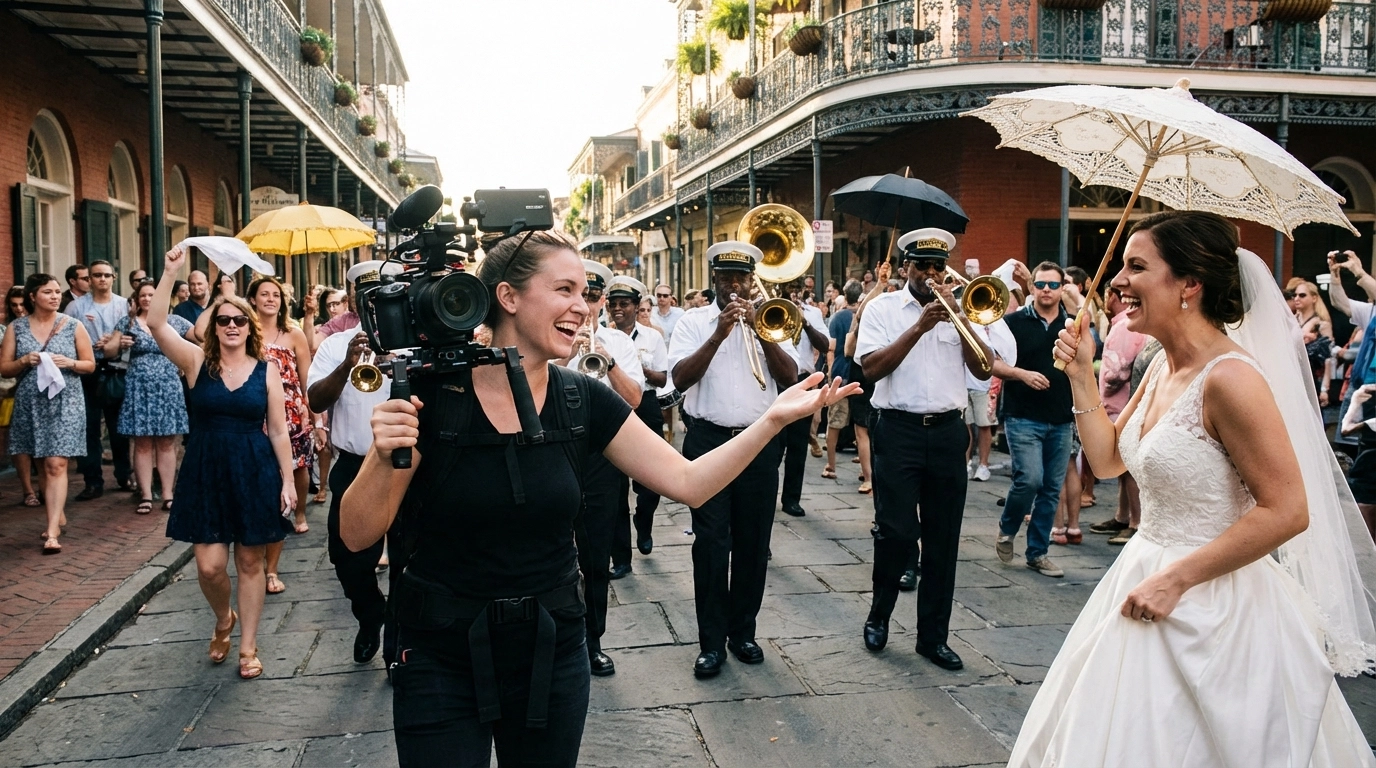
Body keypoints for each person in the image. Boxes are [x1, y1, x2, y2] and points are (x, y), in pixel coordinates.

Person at [339, 230, 852, 766]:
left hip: (552, 647)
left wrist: (773, 419)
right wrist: (383, 454)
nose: (582, 308)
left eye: (585, 293)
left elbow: (690, 482)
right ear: (508, 298)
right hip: (439, 654)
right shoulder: (433, 395)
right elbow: (355, 534)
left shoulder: (580, 396)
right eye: (564, 290)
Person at [1013, 210, 1376, 766]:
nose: (1117, 282)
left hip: (1213, 598)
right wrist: (1082, 375)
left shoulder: (1231, 379)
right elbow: (1109, 461)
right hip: (1141, 571)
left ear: (1189, 284)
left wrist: (1175, 580)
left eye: (1136, 267)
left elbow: (1288, 509)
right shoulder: (1161, 366)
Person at [148, 245, 296, 681]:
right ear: (211, 327)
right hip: (206, 470)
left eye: (239, 320)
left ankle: (248, 646)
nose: (231, 325)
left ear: (250, 327)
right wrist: (169, 270)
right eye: (223, 319)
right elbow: (156, 323)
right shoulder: (196, 362)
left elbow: (280, 429)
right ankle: (223, 618)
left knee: (250, 562)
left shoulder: (266, 370)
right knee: (210, 566)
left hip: (254, 467)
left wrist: (287, 480)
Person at [855, 229, 992, 669]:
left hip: (949, 432)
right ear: (904, 269)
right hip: (898, 431)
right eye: (922, 268)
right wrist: (921, 326)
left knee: (943, 539)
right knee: (895, 533)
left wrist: (962, 320)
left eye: (939, 268)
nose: (932, 275)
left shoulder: (960, 310)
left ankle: (933, 637)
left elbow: (985, 369)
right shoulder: (883, 309)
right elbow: (872, 368)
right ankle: (880, 613)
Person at [669, 241, 802, 679]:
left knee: (752, 543)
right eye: (726, 278)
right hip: (707, 442)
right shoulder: (693, 322)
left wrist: (762, 333)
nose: (735, 286)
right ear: (714, 281)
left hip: (758, 444)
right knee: (710, 545)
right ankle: (710, 643)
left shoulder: (773, 319)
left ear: (752, 280)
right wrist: (719, 334)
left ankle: (743, 631)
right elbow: (680, 378)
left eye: (742, 278)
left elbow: (789, 378)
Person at [558, 260, 643, 676]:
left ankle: (592, 641)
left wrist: (608, 363)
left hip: (602, 456)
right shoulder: (549, 341)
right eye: (578, 295)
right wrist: (561, 360)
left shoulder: (618, 343)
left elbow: (635, 401)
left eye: (592, 298)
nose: (586, 307)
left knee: (594, 558)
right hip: (555, 451)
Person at [306, 263, 391, 664]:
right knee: (347, 559)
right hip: (355, 465)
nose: (371, 299)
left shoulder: (412, 339)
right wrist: (347, 364)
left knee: (413, 558)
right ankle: (371, 612)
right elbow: (315, 401)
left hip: (407, 466)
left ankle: (400, 645)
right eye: (363, 292)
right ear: (353, 296)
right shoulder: (334, 344)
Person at [1, 273, 95, 553]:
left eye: (57, 292)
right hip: (31, 402)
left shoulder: (73, 325)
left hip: (66, 400)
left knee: (56, 463)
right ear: (33, 297)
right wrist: (22, 361)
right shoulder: (16, 328)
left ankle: (52, 531)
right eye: (47, 292)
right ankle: (56, 511)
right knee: (41, 460)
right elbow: (4, 368)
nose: (55, 296)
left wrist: (71, 362)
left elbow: (90, 364)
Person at [993, 262, 1075, 578]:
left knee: (1052, 488)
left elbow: (1088, 350)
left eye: (1053, 285)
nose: (1046, 290)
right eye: (1040, 284)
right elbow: (990, 362)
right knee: (1030, 479)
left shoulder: (1072, 324)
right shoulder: (1012, 322)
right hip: (1022, 415)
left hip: (1060, 417)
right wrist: (1021, 375)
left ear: (1061, 289)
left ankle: (1037, 553)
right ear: (1031, 287)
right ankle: (1008, 527)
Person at [243, 276, 314, 595]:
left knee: (294, 471)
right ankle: (255, 561)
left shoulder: (294, 333)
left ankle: (294, 515)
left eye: (276, 294)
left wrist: (318, 419)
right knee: (258, 487)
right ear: (253, 300)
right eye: (264, 294)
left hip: (291, 414)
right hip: (253, 416)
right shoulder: (243, 331)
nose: (270, 299)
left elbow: (307, 379)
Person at [104, 280, 193, 515]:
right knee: (142, 443)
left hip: (168, 386)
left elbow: (199, 335)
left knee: (166, 442)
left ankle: (167, 494)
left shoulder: (174, 321)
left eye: (152, 295)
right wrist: (118, 343)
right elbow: (109, 352)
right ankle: (144, 494)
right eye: (142, 295)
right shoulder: (128, 322)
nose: (147, 299)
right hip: (139, 386)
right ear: (136, 299)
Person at [605, 276, 668, 560]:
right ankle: (621, 557)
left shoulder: (652, 336)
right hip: (614, 406)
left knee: (651, 478)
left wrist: (635, 368)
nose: (619, 309)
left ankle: (644, 522)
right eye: (613, 304)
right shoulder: (602, 336)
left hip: (645, 406)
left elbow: (663, 377)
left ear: (636, 306)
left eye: (625, 304)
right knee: (615, 485)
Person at [65, 259, 131, 500]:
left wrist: (122, 342)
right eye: (96, 275)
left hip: (117, 369)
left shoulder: (125, 305)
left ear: (114, 277)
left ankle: (124, 475)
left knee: (119, 428)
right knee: (89, 426)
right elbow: (66, 339)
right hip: (88, 371)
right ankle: (92, 481)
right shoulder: (75, 308)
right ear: (89, 279)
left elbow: (137, 333)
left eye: (106, 275)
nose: (102, 279)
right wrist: (90, 346)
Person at [779, 291, 831, 517]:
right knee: (771, 445)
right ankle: (764, 495)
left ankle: (791, 499)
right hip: (776, 381)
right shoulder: (767, 306)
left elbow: (825, 343)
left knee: (798, 445)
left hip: (803, 381)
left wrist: (805, 322)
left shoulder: (813, 313)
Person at [965, 314, 1016, 482]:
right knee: (966, 426)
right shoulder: (964, 315)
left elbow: (1006, 352)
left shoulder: (995, 322)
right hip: (963, 380)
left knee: (984, 425)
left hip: (985, 384)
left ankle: (983, 465)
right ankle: (966, 463)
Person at [823, 279, 861, 484]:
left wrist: (830, 374)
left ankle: (831, 465)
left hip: (840, 373)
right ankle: (865, 468)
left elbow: (831, 348)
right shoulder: (864, 315)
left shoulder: (837, 317)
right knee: (861, 426)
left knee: (835, 422)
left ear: (844, 295)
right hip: (860, 375)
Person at [3, 286, 36, 507]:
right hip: (10, 388)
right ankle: (27, 489)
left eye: (22, 304)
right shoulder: (8, 329)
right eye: (13, 305)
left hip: (38, 390)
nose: (18, 309)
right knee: (17, 438)